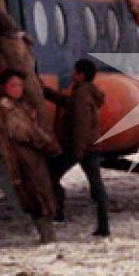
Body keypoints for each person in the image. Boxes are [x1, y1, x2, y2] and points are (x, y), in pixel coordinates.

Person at [0, 70, 61, 243]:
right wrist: (47, 143)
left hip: (30, 158)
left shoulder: (18, 106)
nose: (18, 89)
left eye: (20, 85)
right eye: (13, 85)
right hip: (23, 159)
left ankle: (48, 234)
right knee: (35, 194)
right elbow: (23, 132)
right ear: (4, 87)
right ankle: (46, 235)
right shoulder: (7, 108)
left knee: (41, 191)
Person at [46, 58, 111, 237]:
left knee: (51, 174)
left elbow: (81, 122)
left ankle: (58, 211)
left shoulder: (82, 94)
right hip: (90, 146)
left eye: (74, 71)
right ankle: (103, 224)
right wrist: (48, 92)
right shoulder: (86, 92)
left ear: (81, 75)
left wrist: (78, 150)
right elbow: (68, 103)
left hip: (80, 146)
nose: (71, 73)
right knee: (96, 183)